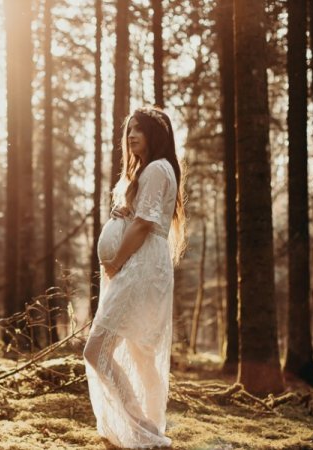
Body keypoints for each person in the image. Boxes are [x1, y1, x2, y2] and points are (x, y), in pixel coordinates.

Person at [83, 105, 186, 448]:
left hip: (140, 266)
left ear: (155, 134)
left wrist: (116, 262)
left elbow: (144, 224)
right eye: (129, 131)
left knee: (97, 350)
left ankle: (141, 425)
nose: (131, 136)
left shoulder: (157, 168)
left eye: (139, 130)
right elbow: (140, 217)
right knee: (139, 353)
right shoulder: (152, 170)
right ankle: (148, 425)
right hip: (142, 265)